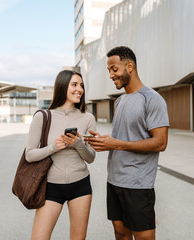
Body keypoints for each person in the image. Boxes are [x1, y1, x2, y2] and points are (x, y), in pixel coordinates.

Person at [86, 46, 169, 240]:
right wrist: (103, 142)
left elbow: (160, 143)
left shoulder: (152, 99)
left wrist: (116, 144)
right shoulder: (120, 101)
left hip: (138, 184)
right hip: (114, 180)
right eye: (109, 71)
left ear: (129, 66)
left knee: (144, 237)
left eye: (114, 69)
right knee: (120, 233)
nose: (111, 75)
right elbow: (124, 137)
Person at [25, 70, 96, 240]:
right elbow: (29, 155)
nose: (79, 89)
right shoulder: (42, 117)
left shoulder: (88, 118)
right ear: (63, 86)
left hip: (81, 186)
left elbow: (91, 157)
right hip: (50, 187)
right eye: (74, 84)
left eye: (81, 85)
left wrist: (78, 144)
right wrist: (54, 147)